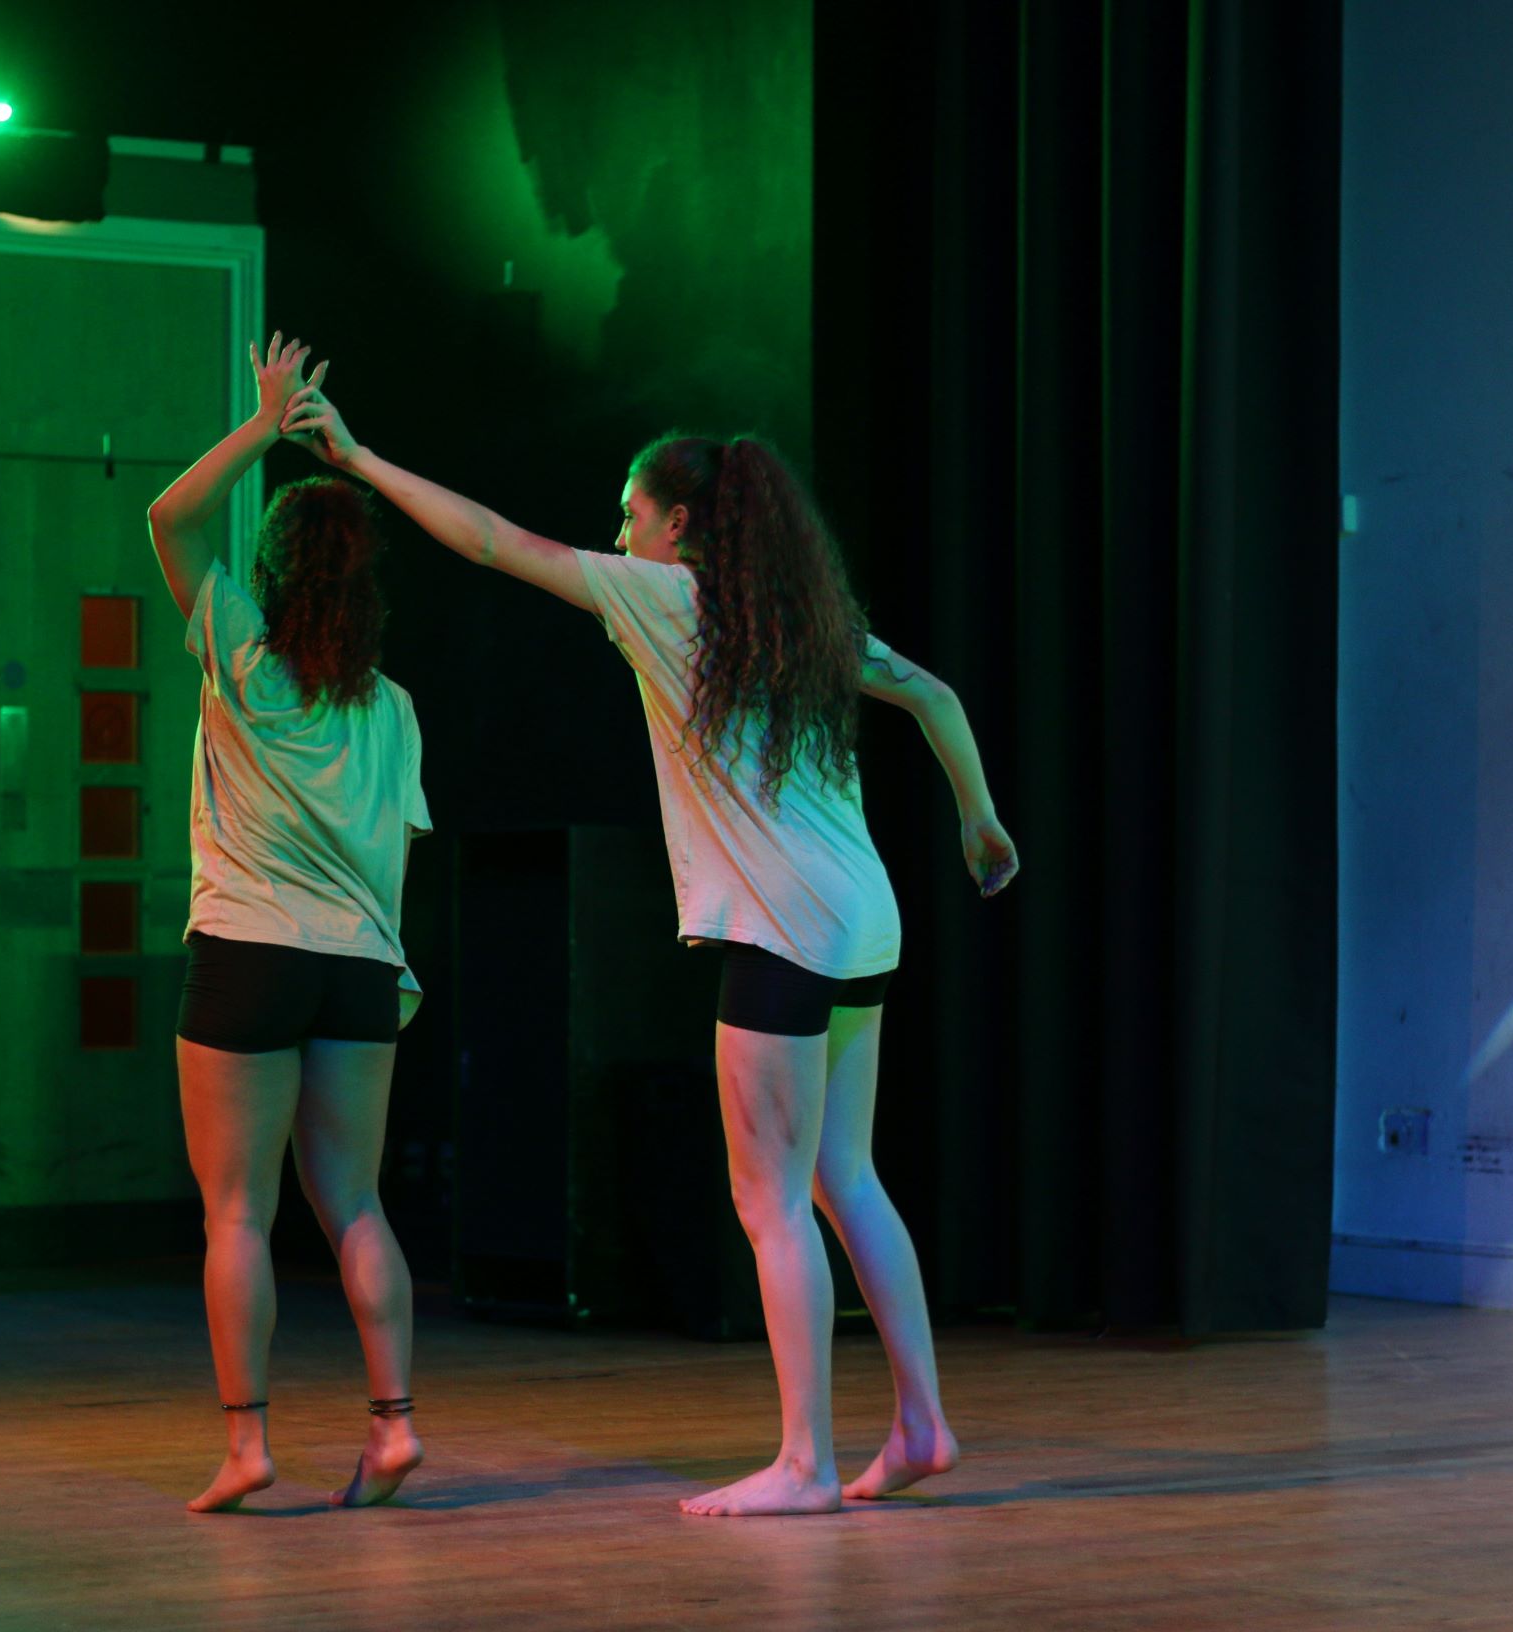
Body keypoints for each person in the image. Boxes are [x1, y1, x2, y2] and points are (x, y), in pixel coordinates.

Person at [280, 372, 1017, 1518]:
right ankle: (920, 1422)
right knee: (844, 1174)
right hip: (864, 917)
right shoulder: (799, 620)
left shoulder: (660, 599)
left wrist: (358, 458)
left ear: (677, 524)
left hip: (779, 927)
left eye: (630, 512)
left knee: (769, 1199)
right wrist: (979, 817)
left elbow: (491, 541)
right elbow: (934, 696)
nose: (616, 530)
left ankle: (806, 1465)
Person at [145, 336, 431, 1513]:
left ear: (271, 568)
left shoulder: (243, 655)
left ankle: (248, 1445)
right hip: (360, 971)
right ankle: (394, 1426)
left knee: (237, 1211)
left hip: (247, 956)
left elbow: (169, 518)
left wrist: (264, 426)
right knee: (354, 1202)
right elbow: (400, 849)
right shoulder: (395, 708)